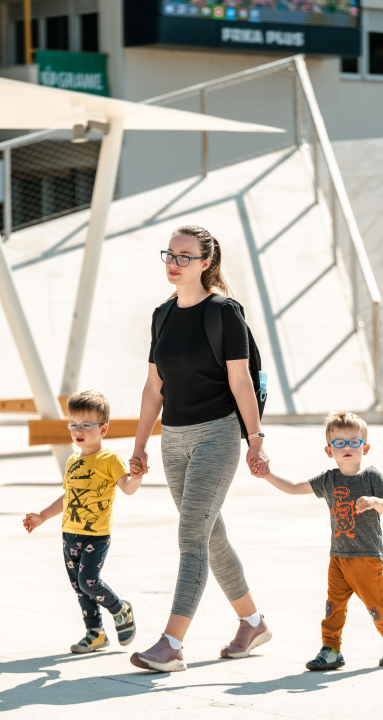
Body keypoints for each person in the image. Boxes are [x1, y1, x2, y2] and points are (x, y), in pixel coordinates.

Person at [128, 224, 271, 673]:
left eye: (185, 256)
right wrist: (140, 447)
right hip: (174, 439)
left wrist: (256, 440)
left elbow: (241, 381)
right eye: (170, 254)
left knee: (191, 537)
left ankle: (171, 643)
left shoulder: (224, 312)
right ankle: (253, 622)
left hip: (217, 434)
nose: (175, 263)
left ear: (206, 262)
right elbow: (154, 387)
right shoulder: (162, 315)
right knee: (211, 535)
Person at [255, 411, 383, 670]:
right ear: (329, 451)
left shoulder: (371, 476)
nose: (347, 447)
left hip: (366, 557)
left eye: (354, 442)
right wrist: (266, 474)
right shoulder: (329, 480)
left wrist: (374, 502)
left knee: (377, 606)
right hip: (338, 557)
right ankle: (331, 648)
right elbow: (293, 487)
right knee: (333, 607)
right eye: (339, 443)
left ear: (365, 447)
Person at [23, 390, 141, 654]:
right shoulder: (72, 462)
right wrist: (42, 516)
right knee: (79, 587)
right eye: (73, 424)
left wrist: (137, 476)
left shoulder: (109, 459)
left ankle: (120, 609)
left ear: (104, 429)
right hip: (69, 535)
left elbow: (128, 488)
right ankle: (95, 633)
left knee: (89, 581)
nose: (78, 430)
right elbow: (68, 497)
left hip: (95, 536)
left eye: (86, 425)